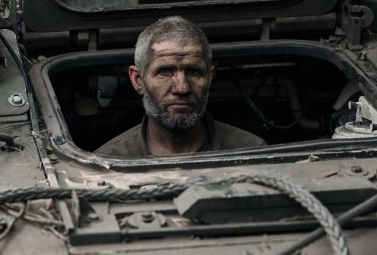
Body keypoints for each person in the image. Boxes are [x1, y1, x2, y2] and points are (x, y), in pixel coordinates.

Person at [95, 16, 265, 157]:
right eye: (165, 71)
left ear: (210, 77)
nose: (182, 88)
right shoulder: (109, 162)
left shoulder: (250, 152)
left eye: (193, 72)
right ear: (138, 80)